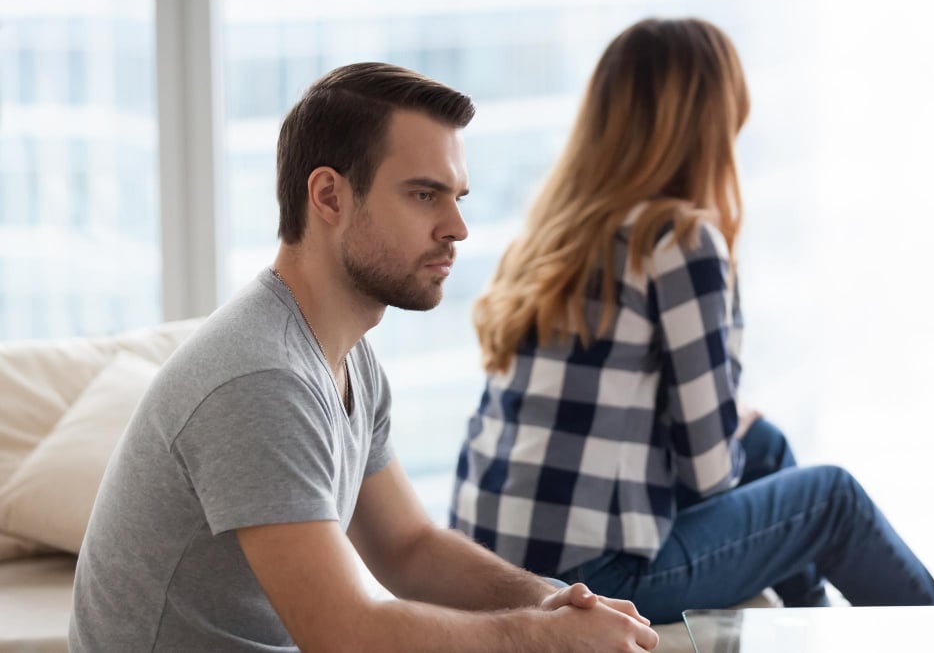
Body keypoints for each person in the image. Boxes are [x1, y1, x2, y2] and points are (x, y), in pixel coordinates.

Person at [69, 62, 660, 652]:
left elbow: (408, 547)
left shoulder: (345, 355)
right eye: (424, 195)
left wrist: (550, 602)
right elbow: (344, 632)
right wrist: (542, 638)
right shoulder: (261, 378)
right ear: (329, 196)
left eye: (456, 198)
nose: (457, 227)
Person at [450, 18, 934, 625]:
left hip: (487, 564)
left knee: (762, 444)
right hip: (590, 578)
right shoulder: (677, 238)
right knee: (832, 498)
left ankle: (808, 621)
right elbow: (710, 473)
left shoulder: (557, 235)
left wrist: (732, 430)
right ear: (710, 125)